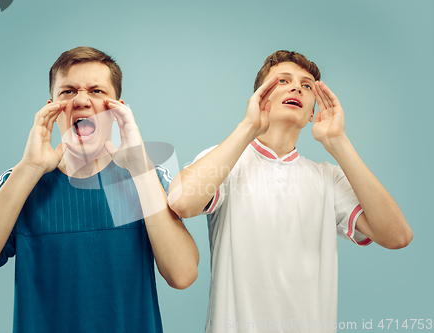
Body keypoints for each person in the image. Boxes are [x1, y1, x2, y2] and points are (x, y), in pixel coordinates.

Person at [0, 46, 199, 333]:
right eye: (68, 91)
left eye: (97, 91)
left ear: (118, 109)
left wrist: (141, 169)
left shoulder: (147, 178)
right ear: (52, 107)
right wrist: (28, 169)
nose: (81, 100)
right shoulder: (19, 183)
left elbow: (183, 275)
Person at [168, 50, 412, 332]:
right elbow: (182, 201)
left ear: (312, 112)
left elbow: (398, 236)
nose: (296, 87)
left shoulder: (327, 179)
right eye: (282, 81)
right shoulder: (227, 162)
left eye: (307, 85)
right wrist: (248, 126)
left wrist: (339, 142)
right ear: (261, 97)